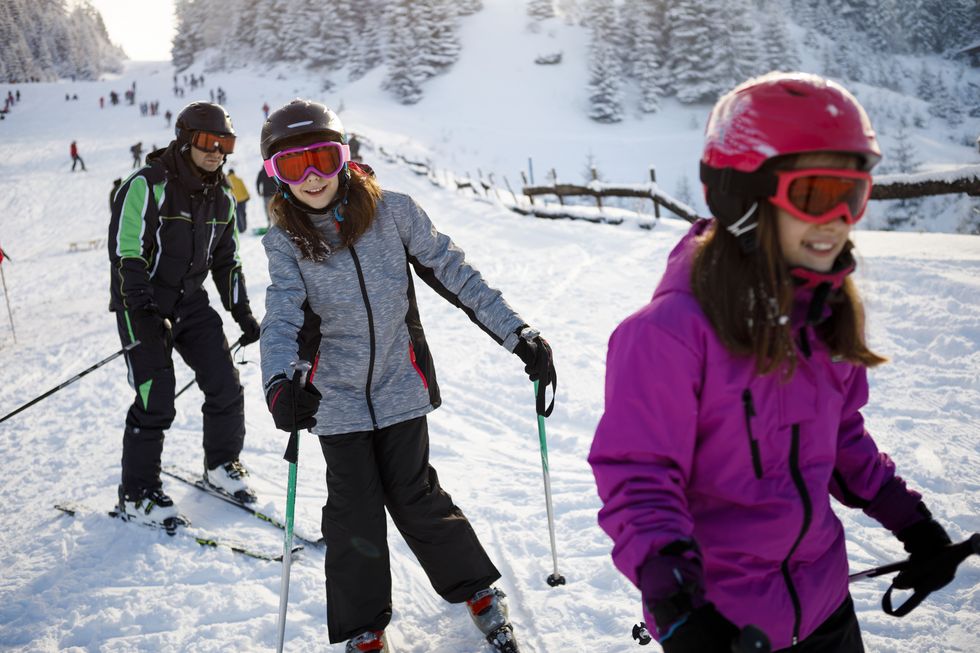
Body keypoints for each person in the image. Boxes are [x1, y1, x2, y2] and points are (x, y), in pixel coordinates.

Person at [589, 72, 963, 653]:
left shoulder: (820, 315)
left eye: (854, 194)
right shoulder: (666, 337)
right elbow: (638, 481)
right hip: (725, 627)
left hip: (826, 608)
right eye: (815, 194)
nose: (838, 218)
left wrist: (913, 524)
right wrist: (679, 604)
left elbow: (842, 441)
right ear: (743, 199)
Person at [259, 99, 556, 653]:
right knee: (353, 514)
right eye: (295, 166)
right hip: (336, 401)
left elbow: (456, 273)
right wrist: (279, 382)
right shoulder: (286, 242)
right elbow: (281, 316)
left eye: (324, 157)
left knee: (416, 495)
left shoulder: (394, 212)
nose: (314, 177)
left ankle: (479, 592)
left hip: (400, 387)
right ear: (276, 177)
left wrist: (519, 335)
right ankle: (364, 628)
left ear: (345, 158)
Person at [107, 101, 262, 529]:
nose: (217, 151)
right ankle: (136, 495)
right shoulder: (148, 184)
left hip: (190, 303)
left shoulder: (224, 196)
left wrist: (242, 312)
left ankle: (221, 465)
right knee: (155, 397)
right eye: (208, 141)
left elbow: (226, 261)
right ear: (186, 138)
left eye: (225, 142)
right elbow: (126, 253)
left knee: (225, 383)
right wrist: (143, 310)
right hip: (143, 304)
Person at [226, 168, 250, 233]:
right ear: (233, 173)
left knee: (237, 214)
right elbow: (244, 188)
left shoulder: (227, 181)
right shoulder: (239, 180)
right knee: (243, 213)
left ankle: (241, 229)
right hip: (243, 199)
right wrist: (248, 196)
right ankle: (245, 227)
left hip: (235, 200)